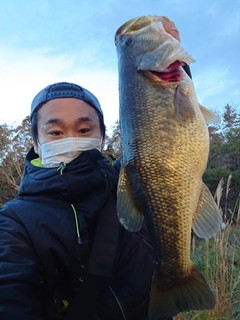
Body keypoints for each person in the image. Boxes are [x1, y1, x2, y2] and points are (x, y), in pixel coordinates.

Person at [0, 16, 189, 320]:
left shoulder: (130, 183)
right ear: (35, 142)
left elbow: (167, 142)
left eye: (84, 130)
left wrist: (174, 64)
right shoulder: (14, 223)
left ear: (102, 137)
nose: (71, 139)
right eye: (56, 132)